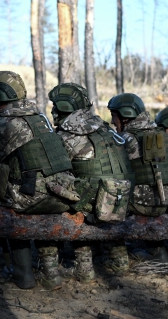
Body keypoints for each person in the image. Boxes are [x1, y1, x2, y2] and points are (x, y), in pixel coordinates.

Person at [0, 71, 79, 289]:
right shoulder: (40, 118)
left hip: (33, 196)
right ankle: (48, 273)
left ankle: (23, 275)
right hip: (64, 191)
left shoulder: (5, 125)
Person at [49, 83, 134, 275]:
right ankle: (120, 262)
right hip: (122, 199)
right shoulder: (104, 129)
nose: (53, 110)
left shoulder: (67, 136)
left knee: (58, 188)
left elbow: (55, 173)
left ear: (64, 107)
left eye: (55, 105)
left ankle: (84, 267)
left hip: (94, 205)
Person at [106, 93, 168, 263]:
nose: (112, 121)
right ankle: (157, 249)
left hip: (145, 205)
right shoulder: (160, 133)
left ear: (125, 116)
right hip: (167, 200)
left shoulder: (126, 139)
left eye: (114, 116)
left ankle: (115, 255)